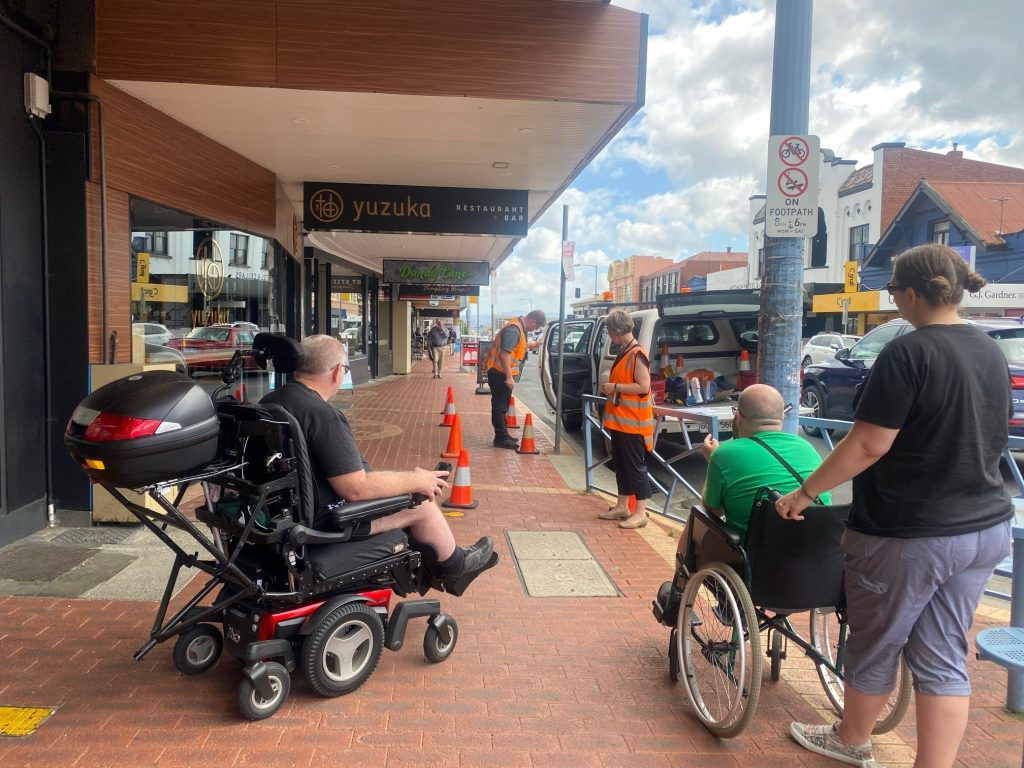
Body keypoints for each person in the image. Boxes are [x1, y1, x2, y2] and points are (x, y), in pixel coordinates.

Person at [775, 244, 1013, 768]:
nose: (892, 301)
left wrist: (805, 493)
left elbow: (867, 444)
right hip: (985, 525)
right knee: (944, 655)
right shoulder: (988, 348)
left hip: (910, 533)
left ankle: (851, 739)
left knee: (876, 644)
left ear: (910, 292)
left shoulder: (908, 352)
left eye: (891, 292)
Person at [261, 334, 495, 583]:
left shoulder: (270, 402)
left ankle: (428, 570)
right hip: (327, 521)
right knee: (422, 506)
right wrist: (417, 480)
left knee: (400, 491)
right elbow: (356, 488)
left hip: (284, 514)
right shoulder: (323, 416)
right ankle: (456, 566)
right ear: (338, 372)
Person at [701, 383, 830, 537]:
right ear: (782, 416)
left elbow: (711, 511)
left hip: (755, 557)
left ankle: (681, 561)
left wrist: (713, 459)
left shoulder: (724, 454)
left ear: (738, 417)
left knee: (695, 521)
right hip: (819, 552)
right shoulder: (806, 446)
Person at [598, 309, 654, 529]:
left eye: (611, 332)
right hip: (621, 421)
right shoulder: (625, 350)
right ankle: (622, 506)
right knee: (620, 464)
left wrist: (615, 387)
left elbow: (644, 386)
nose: (611, 337)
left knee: (635, 467)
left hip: (634, 423)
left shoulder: (637, 354)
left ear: (618, 330)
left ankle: (640, 512)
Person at [482, 309, 547, 449]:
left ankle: (503, 435)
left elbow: (518, 347)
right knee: (500, 407)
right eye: (536, 327)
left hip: (500, 373)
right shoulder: (514, 329)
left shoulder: (519, 328)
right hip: (499, 373)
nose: (535, 329)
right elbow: (505, 354)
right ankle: (500, 438)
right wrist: (509, 377)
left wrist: (533, 345)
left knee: (502, 406)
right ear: (533, 321)